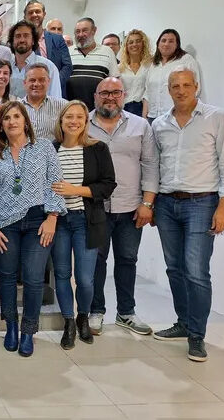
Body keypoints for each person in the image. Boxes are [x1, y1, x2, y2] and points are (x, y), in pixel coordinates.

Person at [151, 68, 224, 362]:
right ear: (168, 89)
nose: (181, 90)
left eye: (186, 85)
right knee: (174, 268)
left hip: (202, 203)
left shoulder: (216, 118)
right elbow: (155, 165)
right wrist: (152, 203)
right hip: (166, 203)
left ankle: (197, 335)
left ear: (196, 87)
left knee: (196, 271)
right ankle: (183, 323)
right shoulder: (160, 124)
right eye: (175, 86)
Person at [0, 101, 66, 357]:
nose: (12, 122)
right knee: (7, 276)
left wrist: (52, 217)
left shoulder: (44, 147)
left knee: (33, 277)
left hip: (37, 221)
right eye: (7, 118)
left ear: (25, 121)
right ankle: (11, 326)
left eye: (16, 116)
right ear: (1, 125)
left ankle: (28, 331)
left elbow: (56, 182)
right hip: (5, 223)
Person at [88, 77, 158, 336]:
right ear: (95, 96)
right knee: (96, 261)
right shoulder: (83, 123)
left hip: (130, 206)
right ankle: (96, 311)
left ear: (124, 96)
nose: (110, 97)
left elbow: (150, 164)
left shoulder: (140, 125)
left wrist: (147, 203)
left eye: (115, 92)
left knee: (128, 260)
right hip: (95, 207)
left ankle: (126, 312)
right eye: (104, 92)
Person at [50, 100, 116, 350]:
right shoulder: (51, 149)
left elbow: (108, 185)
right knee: (61, 274)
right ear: (61, 120)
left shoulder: (98, 149)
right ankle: (68, 322)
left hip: (86, 221)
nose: (74, 121)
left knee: (85, 279)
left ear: (86, 122)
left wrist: (75, 190)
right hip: (59, 221)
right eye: (69, 117)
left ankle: (83, 317)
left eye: (79, 117)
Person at [143, 29, 201, 121]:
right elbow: (148, 90)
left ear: (177, 44)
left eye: (171, 41)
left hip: (175, 116)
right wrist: (144, 112)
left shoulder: (186, 60)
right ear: (158, 44)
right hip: (152, 116)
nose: (166, 44)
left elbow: (195, 89)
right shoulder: (154, 64)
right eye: (163, 40)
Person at [68, 18, 120, 110]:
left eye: (85, 30)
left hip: (99, 109)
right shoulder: (68, 52)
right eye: (77, 31)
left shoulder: (107, 52)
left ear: (94, 31)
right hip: (71, 107)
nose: (80, 34)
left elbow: (114, 81)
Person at [23, 0, 73, 96]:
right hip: (30, 93)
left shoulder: (58, 39)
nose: (34, 14)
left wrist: (52, 84)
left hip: (56, 93)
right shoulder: (22, 42)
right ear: (25, 16)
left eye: (37, 11)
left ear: (44, 14)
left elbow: (67, 66)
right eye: (30, 12)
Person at [7, 20, 62, 98]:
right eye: (18, 36)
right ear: (12, 41)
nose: (22, 40)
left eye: (26, 36)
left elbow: (55, 99)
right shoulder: (6, 66)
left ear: (33, 41)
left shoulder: (49, 67)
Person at [20, 63, 69, 140]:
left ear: (48, 82)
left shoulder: (63, 106)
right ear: (25, 83)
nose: (36, 84)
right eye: (32, 80)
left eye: (41, 80)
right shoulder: (15, 108)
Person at [118, 29, 153, 117]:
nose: (134, 44)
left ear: (143, 44)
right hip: (124, 109)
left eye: (138, 41)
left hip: (145, 108)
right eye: (131, 42)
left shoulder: (151, 65)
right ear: (126, 46)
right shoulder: (119, 68)